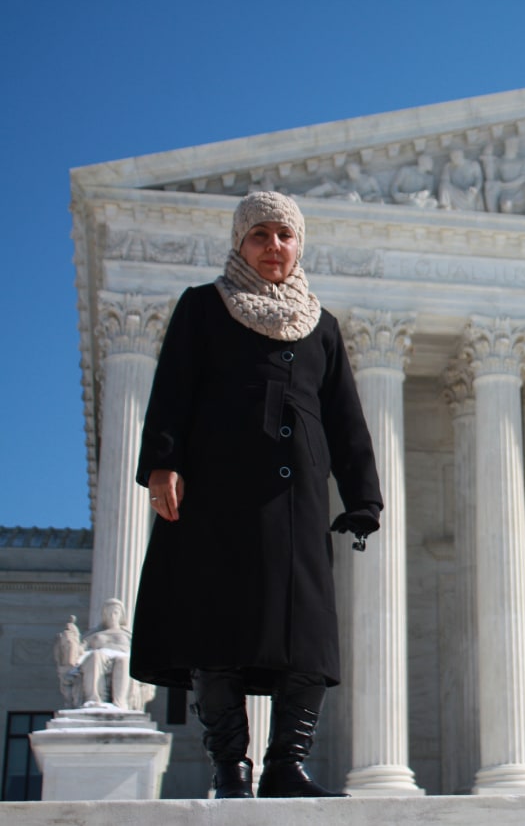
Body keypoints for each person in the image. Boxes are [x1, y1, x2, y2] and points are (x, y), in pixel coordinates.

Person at [130, 191, 383, 799]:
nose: (274, 247)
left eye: (285, 236)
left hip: (296, 501)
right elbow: (173, 390)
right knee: (215, 629)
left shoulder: (321, 324)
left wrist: (363, 498)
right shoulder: (204, 307)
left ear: (299, 245)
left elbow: (346, 419)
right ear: (240, 243)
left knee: (309, 635)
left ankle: (285, 767)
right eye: (260, 235)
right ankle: (230, 769)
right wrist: (163, 464)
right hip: (217, 492)